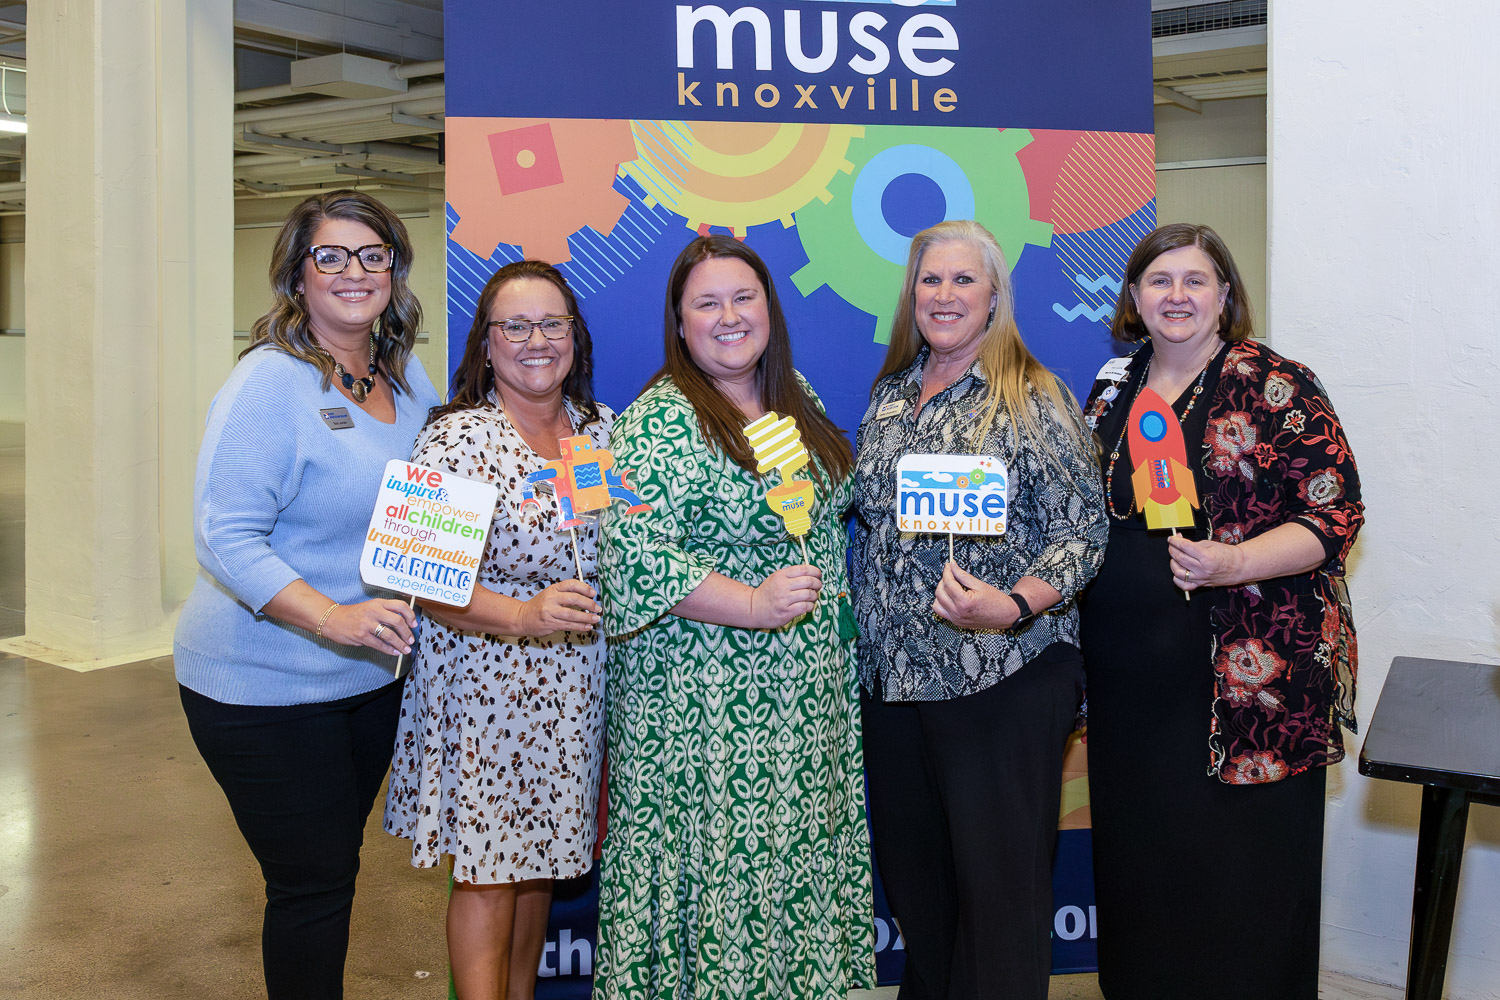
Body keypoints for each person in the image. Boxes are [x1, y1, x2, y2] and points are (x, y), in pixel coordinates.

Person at [1078, 222, 1363, 1000]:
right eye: (1160, 280)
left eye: (1195, 280)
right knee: (1146, 861)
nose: (1177, 296)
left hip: (1250, 682)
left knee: (1241, 872)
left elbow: (1333, 515)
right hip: (1130, 682)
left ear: (1225, 294)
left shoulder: (1278, 384)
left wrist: (1232, 563)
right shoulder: (1113, 386)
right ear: (1134, 296)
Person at [593, 235, 874, 1000]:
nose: (729, 317)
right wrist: (751, 603)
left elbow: (825, 508)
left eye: (743, 298)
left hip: (803, 705)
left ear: (769, 310)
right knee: (724, 874)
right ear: (680, 324)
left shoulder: (793, 395)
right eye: (707, 303)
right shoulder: (658, 422)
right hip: (707, 709)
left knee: (789, 868)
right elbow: (631, 552)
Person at [173, 190, 439, 999]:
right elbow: (225, 536)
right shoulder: (268, 383)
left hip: (369, 678)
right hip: (261, 684)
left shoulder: (406, 376)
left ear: (394, 271)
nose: (355, 272)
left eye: (373, 255)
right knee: (312, 885)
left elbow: (426, 507)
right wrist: (333, 617)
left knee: (333, 867)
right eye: (331, 256)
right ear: (298, 275)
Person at [851, 219, 1107, 1000]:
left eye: (964, 279)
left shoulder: (1034, 396)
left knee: (998, 902)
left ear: (994, 295)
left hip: (1001, 677)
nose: (944, 294)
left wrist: (1015, 604)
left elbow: (1083, 533)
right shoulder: (891, 396)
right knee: (919, 891)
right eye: (930, 279)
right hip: (895, 685)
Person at [383, 260, 610, 1000]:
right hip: (485, 691)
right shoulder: (453, 438)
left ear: (574, 336)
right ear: (486, 343)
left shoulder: (595, 430)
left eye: (552, 324)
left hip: (573, 693)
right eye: (516, 326)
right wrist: (521, 614)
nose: (536, 340)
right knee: (488, 871)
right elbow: (418, 576)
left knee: (540, 865)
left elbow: (606, 547)